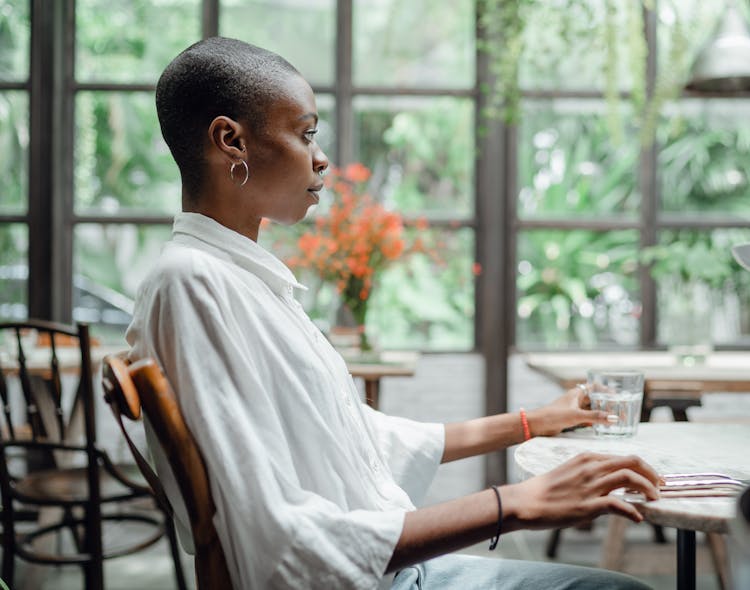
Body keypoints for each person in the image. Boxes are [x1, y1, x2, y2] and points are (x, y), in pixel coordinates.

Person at [126, 37, 660, 590]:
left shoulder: (239, 277)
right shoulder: (192, 284)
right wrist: (515, 504)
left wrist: (531, 423)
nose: (321, 157)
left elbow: (361, 437)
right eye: (306, 133)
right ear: (231, 140)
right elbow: (274, 538)